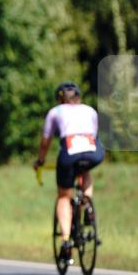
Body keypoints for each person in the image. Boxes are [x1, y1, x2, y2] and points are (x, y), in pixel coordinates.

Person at [33, 82, 104, 263]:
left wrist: (40, 161)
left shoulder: (55, 112)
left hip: (69, 152)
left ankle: (66, 241)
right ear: (79, 97)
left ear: (60, 98)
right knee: (85, 169)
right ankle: (87, 205)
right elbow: (95, 134)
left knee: (64, 196)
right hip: (94, 151)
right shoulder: (90, 111)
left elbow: (45, 142)